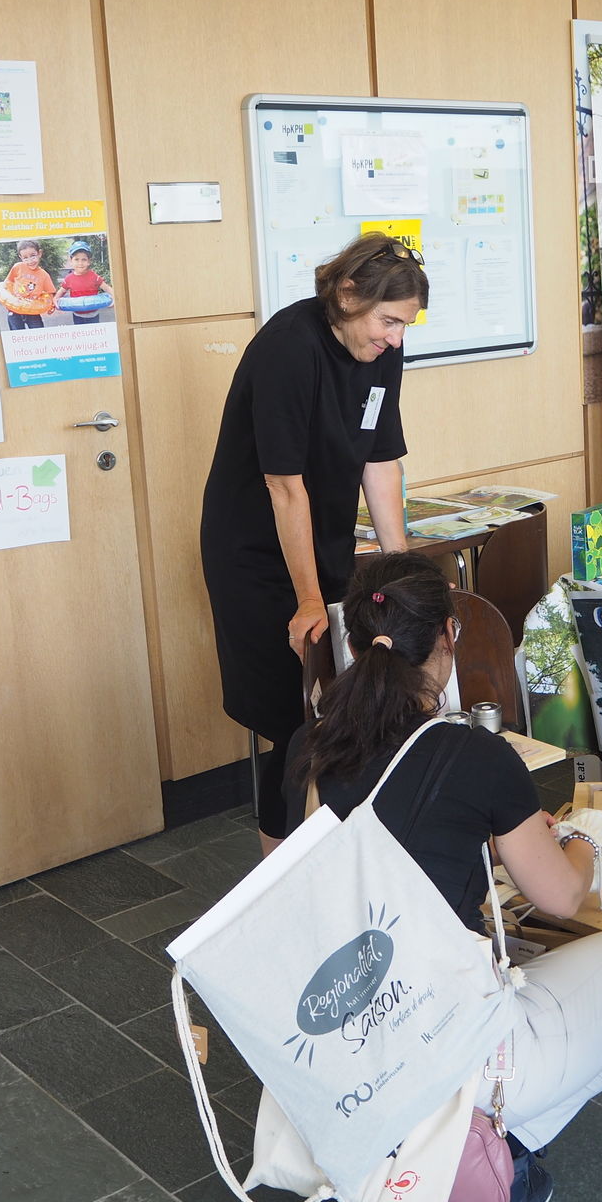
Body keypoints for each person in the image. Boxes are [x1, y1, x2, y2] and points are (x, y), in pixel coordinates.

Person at [289, 553, 602, 1202]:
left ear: (355, 644)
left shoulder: (304, 750)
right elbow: (561, 894)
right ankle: (498, 1155)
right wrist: (586, 837)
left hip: (342, 1049)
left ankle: (461, 1149)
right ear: (449, 634)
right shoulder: (475, 754)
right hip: (448, 1046)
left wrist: (479, 843)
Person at [200, 233, 422, 852]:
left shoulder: (381, 349)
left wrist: (402, 571)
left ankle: (341, 854)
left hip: (320, 540)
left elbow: (381, 459)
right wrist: (306, 601)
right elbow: (283, 486)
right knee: (294, 721)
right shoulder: (289, 348)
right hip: (254, 553)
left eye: (405, 324)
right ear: (348, 295)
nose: (396, 338)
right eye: (388, 321)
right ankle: (280, 874)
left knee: (342, 705)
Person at [0, 239, 58, 329]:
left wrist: (50, 305)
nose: (30, 261)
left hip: (33, 311)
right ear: (21, 257)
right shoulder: (18, 267)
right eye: (25, 258)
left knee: (38, 333)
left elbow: (50, 293)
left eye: (33, 256)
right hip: (14, 310)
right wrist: (2, 296)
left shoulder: (44, 275)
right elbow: (8, 283)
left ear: (39, 253)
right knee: (17, 333)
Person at [55, 240, 114, 325]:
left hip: (93, 315)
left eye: (84, 259)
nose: (80, 263)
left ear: (89, 261)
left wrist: (114, 297)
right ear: (71, 261)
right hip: (77, 315)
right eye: (76, 259)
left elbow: (107, 288)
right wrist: (55, 299)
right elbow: (61, 291)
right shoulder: (68, 278)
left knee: (94, 333)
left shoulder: (94, 276)